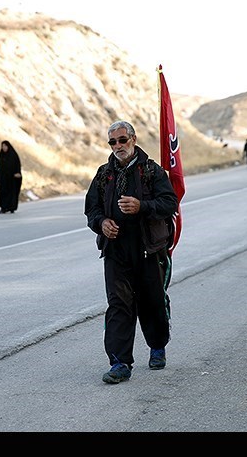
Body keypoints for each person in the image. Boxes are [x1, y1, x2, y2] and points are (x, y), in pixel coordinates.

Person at [84, 120, 179, 384]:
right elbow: (91, 210)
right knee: (118, 305)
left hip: (149, 250)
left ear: (133, 139)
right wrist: (102, 224)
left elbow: (169, 203)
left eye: (122, 140)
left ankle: (157, 346)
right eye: (112, 142)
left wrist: (142, 206)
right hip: (116, 252)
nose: (117, 146)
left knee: (153, 301)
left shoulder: (152, 171)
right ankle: (119, 362)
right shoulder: (104, 174)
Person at [0, 140, 22, 214]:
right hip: (3, 178)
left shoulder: (13, 155)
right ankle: (3, 207)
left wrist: (18, 173)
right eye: (2, 146)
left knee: (11, 193)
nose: (4, 148)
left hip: (12, 178)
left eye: (5, 146)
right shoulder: (1, 155)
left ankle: (11, 207)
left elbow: (17, 165)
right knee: (1, 193)